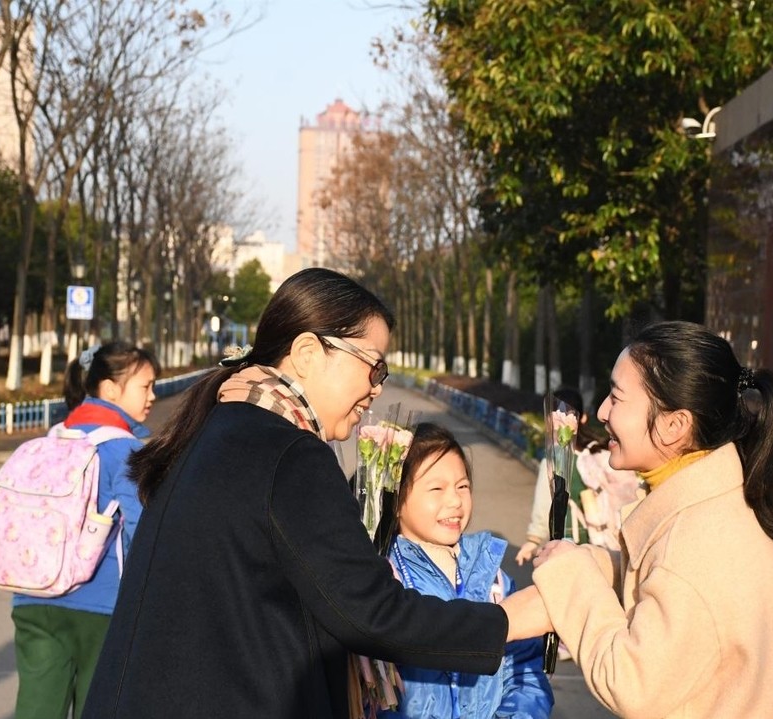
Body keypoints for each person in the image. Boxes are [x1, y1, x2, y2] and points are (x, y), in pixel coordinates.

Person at [83, 268, 542, 719]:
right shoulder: (289, 453)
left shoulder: (218, 429)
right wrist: (509, 620)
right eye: (374, 366)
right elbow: (371, 613)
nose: (377, 389)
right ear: (307, 353)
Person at [520, 320, 773, 718]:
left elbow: (630, 682)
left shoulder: (698, 540)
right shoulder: (723, 504)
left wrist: (574, 581)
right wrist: (593, 564)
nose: (601, 411)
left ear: (674, 425)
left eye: (616, 397)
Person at [13, 341, 159, 719]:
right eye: (145, 386)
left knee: (36, 710)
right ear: (110, 389)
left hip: (33, 598)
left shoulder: (51, 438)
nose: (153, 396)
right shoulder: (125, 449)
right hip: (100, 608)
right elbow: (141, 531)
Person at [377, 422, 554, 719]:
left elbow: (523, 669)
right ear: (395, 500)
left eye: (462, 486)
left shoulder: (492, 578)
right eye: (437, 488)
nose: (455, 501)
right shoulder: (383, 579)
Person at [515, 387, 640, 565]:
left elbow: (544, 505)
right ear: (582, 418)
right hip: (604, 544)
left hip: (567, 543)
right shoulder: (603, 453)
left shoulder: (554, 461)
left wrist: (533, 540)